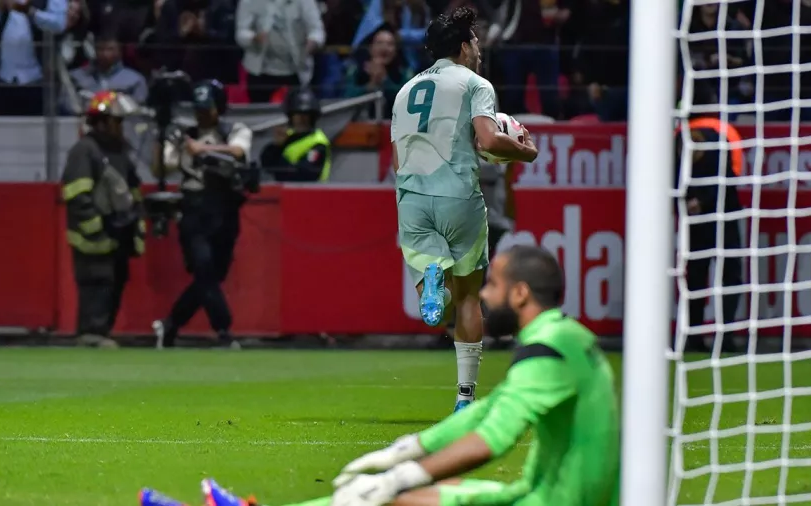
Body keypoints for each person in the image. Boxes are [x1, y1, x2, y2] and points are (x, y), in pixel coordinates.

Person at [138, 246, 620, 506]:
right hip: (539, 494)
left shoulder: (546, 350)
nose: (482, 295)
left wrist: (402, 475)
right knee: (385, 500)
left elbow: (492, 438)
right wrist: (408, 448)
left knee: (390, 501)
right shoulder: (566, 339)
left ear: (518, 294)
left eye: (491, 284)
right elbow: (490, 412)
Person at [392, 6, 537, 412]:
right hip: (457, 194)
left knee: (435, 308)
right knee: (470, 298)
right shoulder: (476, 84)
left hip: (412, 199)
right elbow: (489, 141)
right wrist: (524, 152)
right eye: (474, 41)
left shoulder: (405, 91)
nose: (478, 48)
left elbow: (396, 160)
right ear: (462, 46)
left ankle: (432, 275)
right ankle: (465, 399)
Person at [152, 79, 253, 350]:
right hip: (194, 208)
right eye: (198, 108)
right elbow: (162, 168)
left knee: (213, 276)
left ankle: (170, 323)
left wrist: (203, 150)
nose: (201, 114)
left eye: (207, 108)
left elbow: (238, 151)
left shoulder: (235, 130)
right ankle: (223, 329)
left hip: (225, 208)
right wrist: (160, 137)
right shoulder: (185, 134)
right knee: (204, 267)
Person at [61, 90, 145, 348]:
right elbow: (76, 196)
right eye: (117, 122)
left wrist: (134, 227)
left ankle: (101, 332)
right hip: (94, 240)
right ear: (101, 122)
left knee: (114, 284)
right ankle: (91, 333)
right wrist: (98, 228)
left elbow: (132, 191)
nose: (121, 128)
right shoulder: (85, 151)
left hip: (117, 236)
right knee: (97, 283)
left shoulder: (120, 152)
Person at [675, 82, 744, 353]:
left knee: (696, 276)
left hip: (694, 216)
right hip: (724, 212)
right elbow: (730, 175)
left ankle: (693, 335)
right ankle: (725, 336)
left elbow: (672, 176)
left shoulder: (679, 134)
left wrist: (687, 203)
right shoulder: (725, 132)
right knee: (729, 275)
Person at [260, 87, 331, 182]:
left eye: (306, 114)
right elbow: (266, 164)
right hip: (283, 190)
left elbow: (304, 174)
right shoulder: (286, 136)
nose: (301, 118)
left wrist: (279, 162)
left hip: (310, 193)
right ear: (291, 116)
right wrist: (276, 146)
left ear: (312, 116)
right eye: (297, 114)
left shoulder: (318, 143)